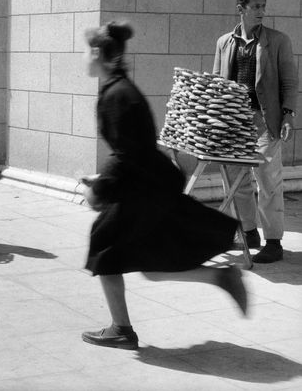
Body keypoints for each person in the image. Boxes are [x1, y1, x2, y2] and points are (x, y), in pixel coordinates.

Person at [80, 21, 248, 351]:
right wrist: (104, 180)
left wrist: (99, 190)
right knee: (149, 265)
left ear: (98, 53)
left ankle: (122, 330)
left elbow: (127, 153)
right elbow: (131, 151)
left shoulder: (117, 94)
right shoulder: (119, 89)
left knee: (105, 249)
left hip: (144, 190)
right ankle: (221, 277)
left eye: (86, 51)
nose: (84, 57)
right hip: (147, 185)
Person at [213, 0, 299, 263]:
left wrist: (288, 114)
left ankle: (273, 241)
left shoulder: (278, 40)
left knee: (268, 179)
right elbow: (217, 82)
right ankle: (249, 232)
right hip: (234, 120)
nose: (262, 11)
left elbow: (289, 82)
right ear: (241, 9)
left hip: (265, 119)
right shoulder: (224, 42)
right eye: (256, 6)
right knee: (237, 180)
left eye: (264, 5)